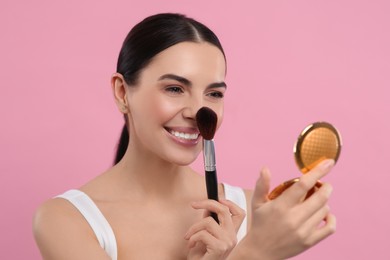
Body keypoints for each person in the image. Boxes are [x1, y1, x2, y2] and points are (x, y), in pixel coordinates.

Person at [33, 13, 336, 259]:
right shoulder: (66, 220)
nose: (197, 110)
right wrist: (254, 254)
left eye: (214, 93)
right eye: (175, 89)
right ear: (122, 91)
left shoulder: (249, 213)